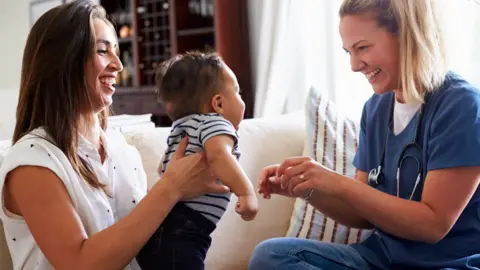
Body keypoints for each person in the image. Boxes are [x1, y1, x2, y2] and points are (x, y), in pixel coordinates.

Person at [249, 0, 480, 269]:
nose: (355, 65)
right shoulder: (376, 109)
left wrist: (336, 182)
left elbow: (433, 225)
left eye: (362, 48)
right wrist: (309, 188)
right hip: (381, 258)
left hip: (449, 262)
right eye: (348, 52)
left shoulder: (461, 106)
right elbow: (362, 216)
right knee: (273, 255)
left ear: (407, 35)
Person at [0, 1, 229, 270]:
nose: (118, 65)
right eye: (102, 51)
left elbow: (142, 241)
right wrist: (170, 187)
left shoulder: (119, 147)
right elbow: (80, 263)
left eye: (117, 52)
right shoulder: (32, 163)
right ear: (61, 61)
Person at [136, 51, 258, 270]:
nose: (242, 99)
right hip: (185, 230)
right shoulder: (216, 123)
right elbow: (219, 154)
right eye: (237, 92)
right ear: (218, 103)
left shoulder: (184, 128)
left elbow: (163, 168)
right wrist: (246, 191)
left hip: (163, 226)